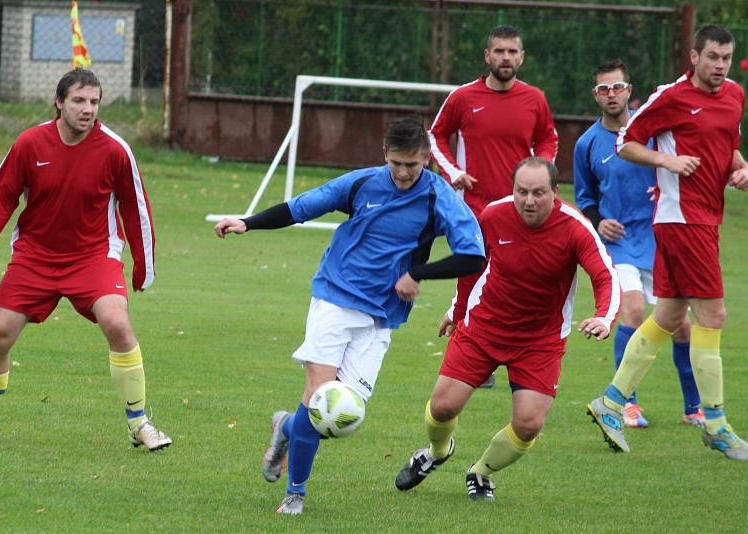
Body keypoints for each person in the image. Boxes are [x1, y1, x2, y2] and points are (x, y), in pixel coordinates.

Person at [214, 117, 485, 515]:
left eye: (413, 164)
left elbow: (473, 254)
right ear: (384, 155)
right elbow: (303, 206)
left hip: (382, 316)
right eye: (397, 163)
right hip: (335, 296)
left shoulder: (438, 196)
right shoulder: (362, 183)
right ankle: (295, 494)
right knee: (320, 396)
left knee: (341, 415)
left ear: (427, 159)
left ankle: (287, 427)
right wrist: (248, 223)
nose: (405, 172)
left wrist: (417, 273)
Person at [0, 68, 171, 451]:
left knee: (117, 322)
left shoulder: (115, 149)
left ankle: (141, 425)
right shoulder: (29, 143)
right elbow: (1, 197)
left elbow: (136, 208)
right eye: (79, 101)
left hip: (93, 256)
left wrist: (142, 263)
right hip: (34, 256)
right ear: (59, 102)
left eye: (94, 102)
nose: (88, 109)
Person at [395, 157, 619, 501]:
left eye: (539, 193)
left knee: (529, 423)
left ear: (555, 193)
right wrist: (456, 310)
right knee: (442, 407)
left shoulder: (575, 227)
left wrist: (604, 316)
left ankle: (481, 472)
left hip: (540, 340)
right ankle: (437, 452)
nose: (529, 201)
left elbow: (605, 275)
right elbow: (472, 265)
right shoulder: (493, 216)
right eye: (522, 192)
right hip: (484, 325)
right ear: (512, 190)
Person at [587, 25, 748, 460]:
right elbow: (625, 142)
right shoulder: (671, 97)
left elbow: (727, 148)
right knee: (713, 314)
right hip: (681, 220)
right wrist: (667, 160)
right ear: (693, 57)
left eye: (726, 58)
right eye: (711, 57)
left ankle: (612, 402)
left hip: (703, 219)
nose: (719, 66)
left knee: (671, 315)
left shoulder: (734, 95)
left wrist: (740, 168)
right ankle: (714, 422)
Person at [573, 60, 703, 429]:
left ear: (630, 91)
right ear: (595, 95)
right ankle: (627, 403)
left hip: (662, 238)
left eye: (618, 87)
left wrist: (664, 184)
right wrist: (600, 222)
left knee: (681, 325)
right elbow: (584, 198)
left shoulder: (655, 133)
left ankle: (693, 407)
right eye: (603, 89)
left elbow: (680, 168)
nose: (611, 95)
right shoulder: (586, 143)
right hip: (621, 245)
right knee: (631, 310)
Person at [429, 25, 558, 386]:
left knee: (516, 276)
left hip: (522, 208)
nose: (506, 57)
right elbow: (435, 134)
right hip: (475, 206)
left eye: (512, 52)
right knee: (471, 271)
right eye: (499, 51)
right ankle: (466, 350)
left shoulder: (535, 98)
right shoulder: (463, 97)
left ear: (521, 57)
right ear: (487, 56)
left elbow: (547, 138)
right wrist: (453, 171)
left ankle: (520, 352)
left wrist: (542, 172)